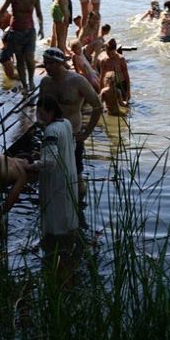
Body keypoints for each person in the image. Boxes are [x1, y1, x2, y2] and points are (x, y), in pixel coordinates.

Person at [26, 94, 80, 285]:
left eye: (42, 114)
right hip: (69, 175)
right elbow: (69, 146)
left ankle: (56, 256)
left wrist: (31, 166)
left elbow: (49, 162)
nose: (40, 118)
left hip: (56, 181)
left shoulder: (50, 131)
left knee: (55, 217)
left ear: (50, 111)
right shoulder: (65, 123)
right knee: (68, 213)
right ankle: (69, 251)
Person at [39, 47, 102, 203]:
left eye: (50, 64)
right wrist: (40, 123)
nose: (46, 67)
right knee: (52, 171)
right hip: (52, 134)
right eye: (45, 63)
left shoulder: (77, 81)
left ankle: (79, 205)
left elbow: (98, 106)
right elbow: (39, 106)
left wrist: (86, 133)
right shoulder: (46, 82)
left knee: (76, 173)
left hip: (73, 134)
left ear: (60, 63)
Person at [0, 0, 44, 92]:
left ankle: (31, 81)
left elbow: (39, 13)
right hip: (15, 32)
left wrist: (41, 28)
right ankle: (24, 84)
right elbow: (1, 10)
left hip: (29, 31)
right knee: (20, 60)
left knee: (29, 57)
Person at [96, 38, 131, 103]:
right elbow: (102, 77)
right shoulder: (104, 61)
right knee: (112, 103)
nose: (110, 56)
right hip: (109, 85)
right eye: (108, 53)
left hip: (121, 84)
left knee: (125, 103)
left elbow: (126, 76)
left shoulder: (121, 59)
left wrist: (128, 91)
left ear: (115, 50)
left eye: (112, 54)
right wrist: (101, 90)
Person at [0, 10, 15, 80]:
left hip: (13, 35)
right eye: (0, 16)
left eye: (4, 16)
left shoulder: (12, 18)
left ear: (7, 14)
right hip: (5, 36)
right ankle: (11, 64)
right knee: (4, 53)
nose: (2, 18)